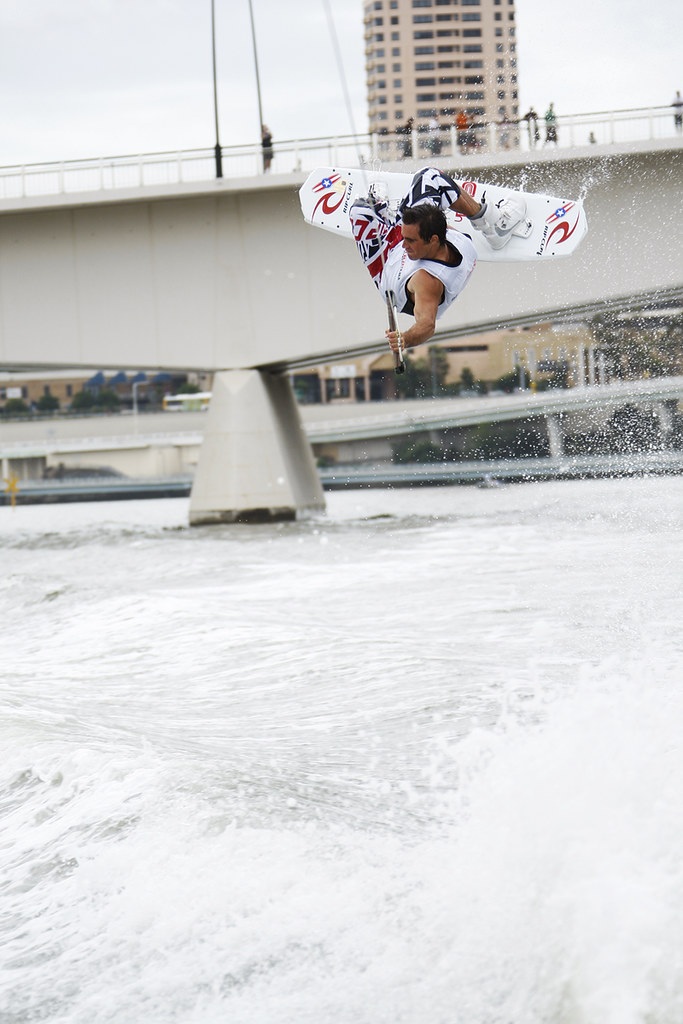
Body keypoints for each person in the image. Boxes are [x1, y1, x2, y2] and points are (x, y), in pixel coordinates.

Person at [349, 167, 526, 353]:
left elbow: (426, 325)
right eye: (405, 238)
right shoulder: (441, 241)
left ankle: (381, 209)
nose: (403, 244)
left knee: (359, 211)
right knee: (430, 176)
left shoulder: (427, 281)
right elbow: (427, 326)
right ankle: (492, 223)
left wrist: (405, 339)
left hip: (386, 267)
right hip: (421, 253)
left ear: (433, 239)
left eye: (410, 241)